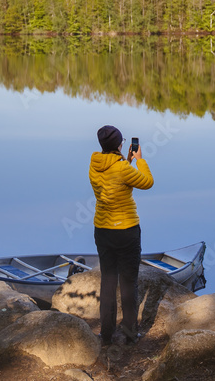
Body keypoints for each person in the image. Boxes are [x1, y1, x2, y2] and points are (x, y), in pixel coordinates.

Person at [90, 124, 154, 345]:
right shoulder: (123, 168)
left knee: (108, 282)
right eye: (122, 141)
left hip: (103, 231)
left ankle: (105, 334)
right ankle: (129, 334)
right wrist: (139, 160)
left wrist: (124, 161)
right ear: (118, 144)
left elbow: (114, 181)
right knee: (128, 283)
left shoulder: (94, 165)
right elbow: (147, 182)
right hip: (126, 232)